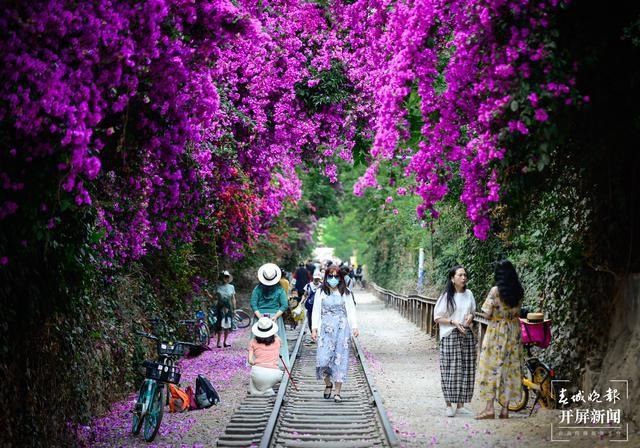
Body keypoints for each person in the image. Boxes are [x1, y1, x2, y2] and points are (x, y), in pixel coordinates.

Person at [475, 260, 525, 419]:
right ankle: (505, 410)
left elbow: (487, 313)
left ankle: (489, 409)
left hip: (496, 332)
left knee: (490, 367)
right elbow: (518, 312)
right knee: (510, 369)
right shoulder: (519, 291)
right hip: (513, 332)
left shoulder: (495, 291)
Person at [311, 265, 359, 403]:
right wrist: (314, 329)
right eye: (330, 276)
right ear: (326, 277)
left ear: (340, 278)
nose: (333, 279)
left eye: (336, 276)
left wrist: (354, 327)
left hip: (342, 329)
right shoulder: (321, 292)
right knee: (323, 359)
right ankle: (328, 384)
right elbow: (316, 311)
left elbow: (351, 311)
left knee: (340, 359)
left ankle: (337, 392)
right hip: (325, 329)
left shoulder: (346, 292)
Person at [433, 265, 476, 417]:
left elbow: (472, 312)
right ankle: (448, 404)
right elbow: (437, 318)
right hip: (450, 335)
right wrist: (453, 322)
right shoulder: (446, 296)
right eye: (460, 275)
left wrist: (470, 317)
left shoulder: (469, 294)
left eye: (465, 275)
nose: (464, 277)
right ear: (452, 279)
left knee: (466, 370)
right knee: (450, 369)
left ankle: (461, 405)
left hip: (466, 335)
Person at [250, 263, 290, 367]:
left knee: (259, 340)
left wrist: (260, 318)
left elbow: (253, 304)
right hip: (275, 318)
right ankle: (276, 362)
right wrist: (275, 316)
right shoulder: (280, 289)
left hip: (260, 317)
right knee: (276, 340)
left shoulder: (257, 289)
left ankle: (257, 361)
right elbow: (284, 305)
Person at [247, 317, 284, 396]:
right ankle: (267, 389)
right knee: (269, 377)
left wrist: (257, 364)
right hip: (275, 375)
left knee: (253, 373)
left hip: (258, 374)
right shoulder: (277, 340)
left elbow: (250, 361)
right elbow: (278, 339)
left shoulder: (253, 342)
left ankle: (258, 391)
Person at [215, 270, 236, 348]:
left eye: (227, 277)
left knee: (227, 324)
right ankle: (218, 342)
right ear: (222, 278)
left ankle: (225, 341)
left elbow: (233, 298)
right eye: (225, 277)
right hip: (220, 307)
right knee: (219, 324)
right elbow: (215, 298)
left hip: (228, 307)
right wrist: (207, 294)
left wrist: (234, 309)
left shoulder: (231, 287)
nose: (226, 278)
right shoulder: (218, 287)